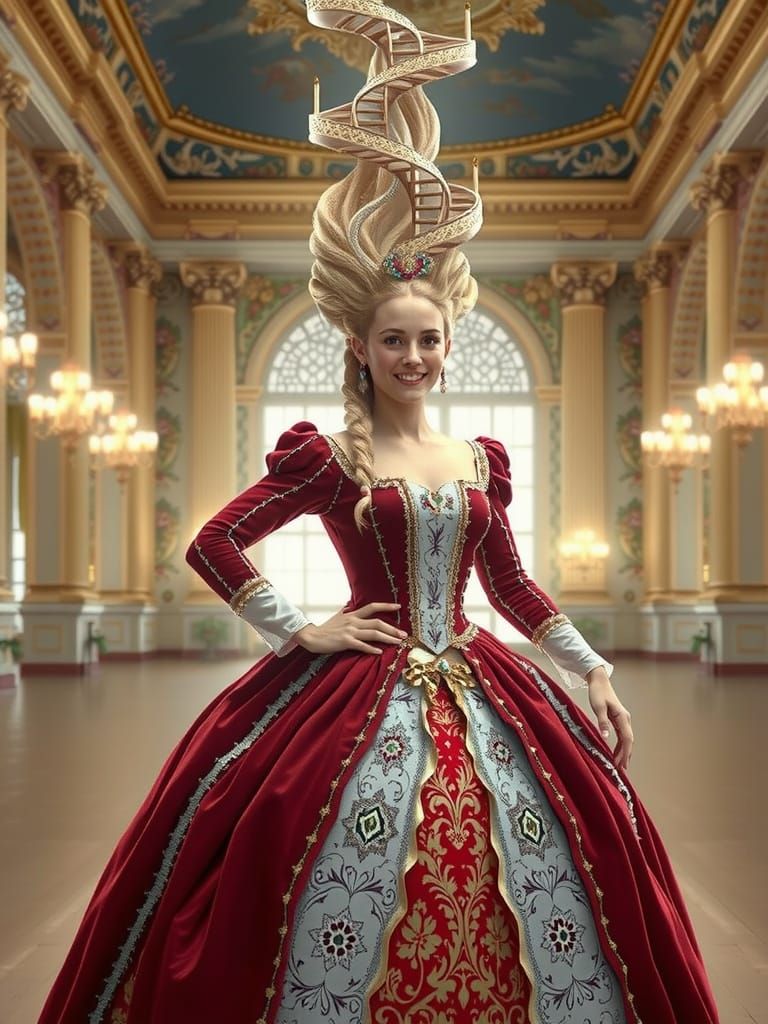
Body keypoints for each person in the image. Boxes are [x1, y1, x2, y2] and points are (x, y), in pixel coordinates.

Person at [37, 3, 720, 1023]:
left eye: (429, 339)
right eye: (394, 340)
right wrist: (297, 629)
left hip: (485, 682)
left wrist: (592, 666)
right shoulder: (330, 455)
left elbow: (511, 584)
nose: (413, 356)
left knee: (569, 849)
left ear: (449, 343)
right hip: (353, 684)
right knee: (301, 846)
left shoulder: (480, 457)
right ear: (362, 345)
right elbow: (212, 541)